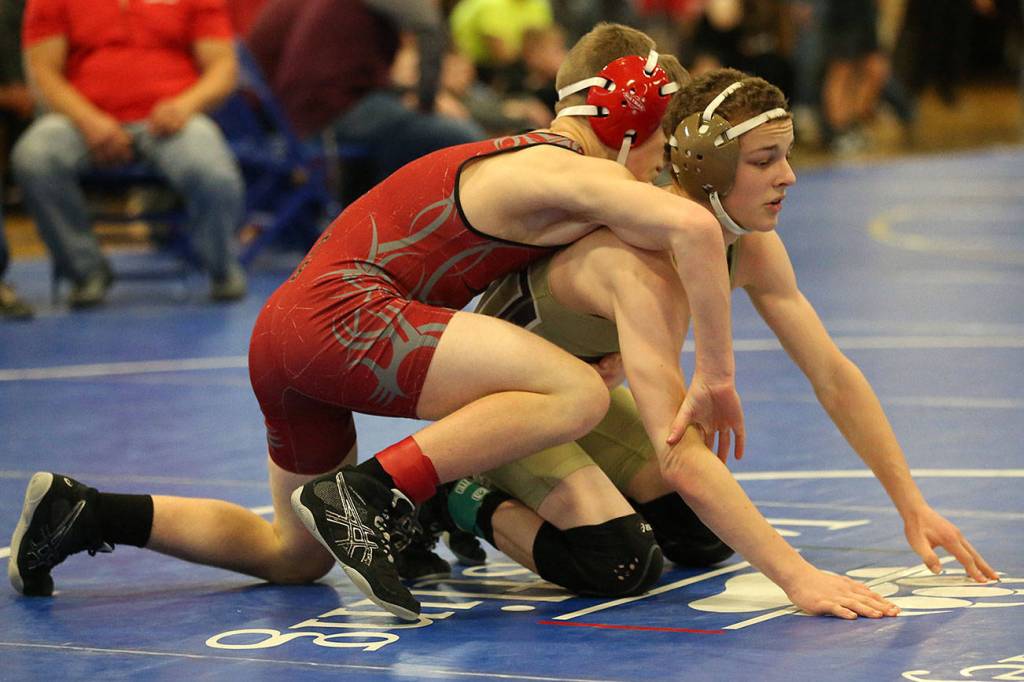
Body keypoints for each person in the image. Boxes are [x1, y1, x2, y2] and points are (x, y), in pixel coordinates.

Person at [9, 24, 744, 622]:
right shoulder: (576, 172)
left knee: (293, 556)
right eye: (663, 137)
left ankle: (87, 512)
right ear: (627, 119)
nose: (664, 163)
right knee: (573, 395)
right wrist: (713, 374)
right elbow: (695, 228)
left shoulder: (533, 166)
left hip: (289, 333)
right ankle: (376, 493)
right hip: (347, 313)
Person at [407, 67, 998, 617]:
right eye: (765, 160)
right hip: (504, 407)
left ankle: (577, 492)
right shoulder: (641, 264)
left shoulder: (749, 244)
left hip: (582, 398)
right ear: (705, 166)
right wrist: (798, 578)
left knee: (703, 535)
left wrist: (911, 503)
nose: (789, 176)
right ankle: (456, 494)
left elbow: (832, 374)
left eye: (786, 155)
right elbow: (680, 458)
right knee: (620, 560)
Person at [11, 0, 247, 308]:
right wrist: (88, 120)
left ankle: (221, 266)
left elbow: (223, 68)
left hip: (172, 118)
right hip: (79, 119)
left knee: (213, 169)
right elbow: (42, 72)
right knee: (34, 157)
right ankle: (86, 272)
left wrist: (185, 106)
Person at [247, 0, 485, 187]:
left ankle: (382, 214)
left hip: (299, 112)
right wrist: (427, 103)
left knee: (406, 134)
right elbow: (427, 27)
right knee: (464, 137)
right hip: (326, 115)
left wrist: (411, 95)